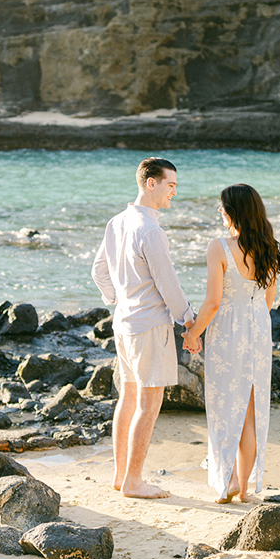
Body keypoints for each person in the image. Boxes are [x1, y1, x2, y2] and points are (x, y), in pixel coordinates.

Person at [92, 157, 196, 499]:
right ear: (150, 183)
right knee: (149, 404)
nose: (174, 193)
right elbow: (168, 283)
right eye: (170, 185)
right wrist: (188, 319)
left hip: (124, 322)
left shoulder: (117, 222)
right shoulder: (150, 230)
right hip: (150, 325)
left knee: (129, 397)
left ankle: (121, 476)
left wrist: (120, 298)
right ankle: (134, 482)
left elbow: (99, 272)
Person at [182, 184, 280, 503]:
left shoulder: (220, 247)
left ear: (232, 212)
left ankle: (227, 483)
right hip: (258, 328)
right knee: (251, 412)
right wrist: (253, 322)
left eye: (221, 207)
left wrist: (193, 332)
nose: (219, 212)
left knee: (225, 406)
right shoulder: (268, 247)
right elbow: (269, 297)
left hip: (227, 329)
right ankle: (241, 484)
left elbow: (212, 302)